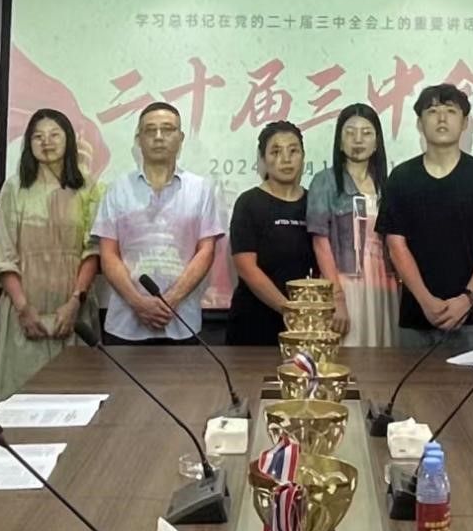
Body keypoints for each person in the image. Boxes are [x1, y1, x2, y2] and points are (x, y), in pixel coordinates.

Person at [377, 84, 473, 352]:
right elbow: (396, 246)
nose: (441, 118)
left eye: (451, 111)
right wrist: (425, 301)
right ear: (420, 123)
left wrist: (467, 299)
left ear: (464, 122)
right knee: (413, 382)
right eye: (432, 111)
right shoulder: (401, 178)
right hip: (417, 316)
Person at [0, 109, 102, 406]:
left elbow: (93, 250)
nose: (46, 142)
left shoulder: (88, 188)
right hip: (24, 309)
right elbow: (3, 252)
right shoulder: (14, 188)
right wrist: (23, 307)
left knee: (74, 400)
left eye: (54, 135)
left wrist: (75, 302)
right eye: (38, 136)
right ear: (28, 143)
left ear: (69, 140)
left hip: (73, 309)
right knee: (20, 402)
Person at [94, 102, 224, 346]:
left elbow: (206, 251)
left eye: (167, 129)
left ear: (181, 138)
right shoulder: (117, 189)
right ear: (139, 139)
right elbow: (108, 254)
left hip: (182, 320)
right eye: (150, 130)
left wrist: (171, 300)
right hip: (125, 323)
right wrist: (138, 303)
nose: (158, 137)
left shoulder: (201, 189)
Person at [307, 103, 401, 348]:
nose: (358, 140)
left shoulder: (388, 185)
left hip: (384, 283)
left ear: (377, 142)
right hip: (345, 282)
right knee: (349, 352)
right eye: (350, 133)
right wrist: (336, 297)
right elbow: (320, 243)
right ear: (339, 141)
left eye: (366, 133)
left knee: (385, 354)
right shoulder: (325, 181)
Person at [226, 122, 313, 346]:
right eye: (276, 152)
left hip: (306, 324)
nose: (286, 159)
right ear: (263, 159)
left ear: (303, 156)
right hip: (254, 321)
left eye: (293, 151)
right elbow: (246, 268)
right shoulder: (248, 203)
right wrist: (289, 309)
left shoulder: (314, 202)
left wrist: (305, 314)